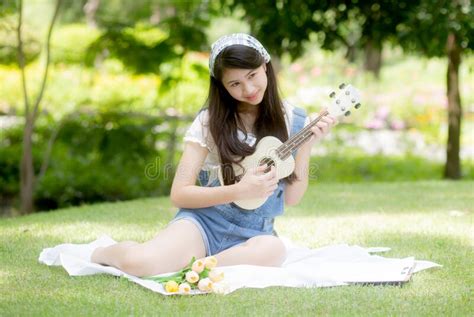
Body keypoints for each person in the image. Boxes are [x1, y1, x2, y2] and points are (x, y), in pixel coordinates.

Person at [91, 33, 337, 277]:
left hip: (255, 234)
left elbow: (292, 198)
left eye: (252, 75)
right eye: (235, 84)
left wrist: (307, 143)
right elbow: (179, 194)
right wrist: (239, 191)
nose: (249, 89)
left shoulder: (293, 120)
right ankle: (107, 253)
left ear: (265, 65)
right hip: (204, 224)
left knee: (274, 249)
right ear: (221, 85)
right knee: (140, 264)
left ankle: (198, 266)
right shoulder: (209, 121)